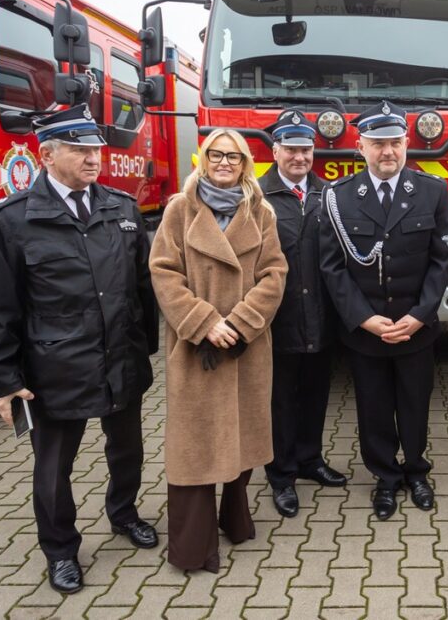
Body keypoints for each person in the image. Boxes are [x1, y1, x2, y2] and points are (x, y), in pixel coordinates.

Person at [0, 104, 160, 594]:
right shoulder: (12, 220)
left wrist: (146, 349)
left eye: (95, 149)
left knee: (128, 451)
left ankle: (124, 514)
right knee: (54, 467)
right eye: (79, 150)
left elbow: (141, 286)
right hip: (53, 368)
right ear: (47, 154)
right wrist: (5, 381)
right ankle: (60, 550)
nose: (93, 158)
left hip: (120, 356)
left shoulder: (119, 208)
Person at [150, 129, 287, 572]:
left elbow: (274, 273)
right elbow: (164, 272)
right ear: (203, 159)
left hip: (246, 348)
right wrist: (205, 322)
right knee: (194, 450)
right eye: (216, 155)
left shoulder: (261, 212)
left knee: (242, 438)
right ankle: (193, 548)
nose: (224, 162)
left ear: (246, 163)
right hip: (197, 351)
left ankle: (235, 517)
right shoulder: (179, 209)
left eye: (233, 156)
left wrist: (243, 322)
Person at [319, 101, 448, 520]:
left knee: (416, 404)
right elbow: (330, 266)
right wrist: (364, 319)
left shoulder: (433, 191)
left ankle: (416, 471)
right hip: (367, 330)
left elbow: (445, 257)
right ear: (360, 146)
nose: (388, 152)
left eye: (395, 143)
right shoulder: (339, 198)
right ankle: (385, 476)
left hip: (417, 326)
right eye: (378, 144)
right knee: (374, 406)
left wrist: (421, 314)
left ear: (406, 145)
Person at [258, 111, 348, 518]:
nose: (299, 157)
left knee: (316, 396)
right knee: (280, 401)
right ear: (275, 150)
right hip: (278, 319)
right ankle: (281, 475)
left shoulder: (328, 194)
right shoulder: (257, 196)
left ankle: (311, 460)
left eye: (305, 149)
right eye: (291, 149)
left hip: (321, 317)